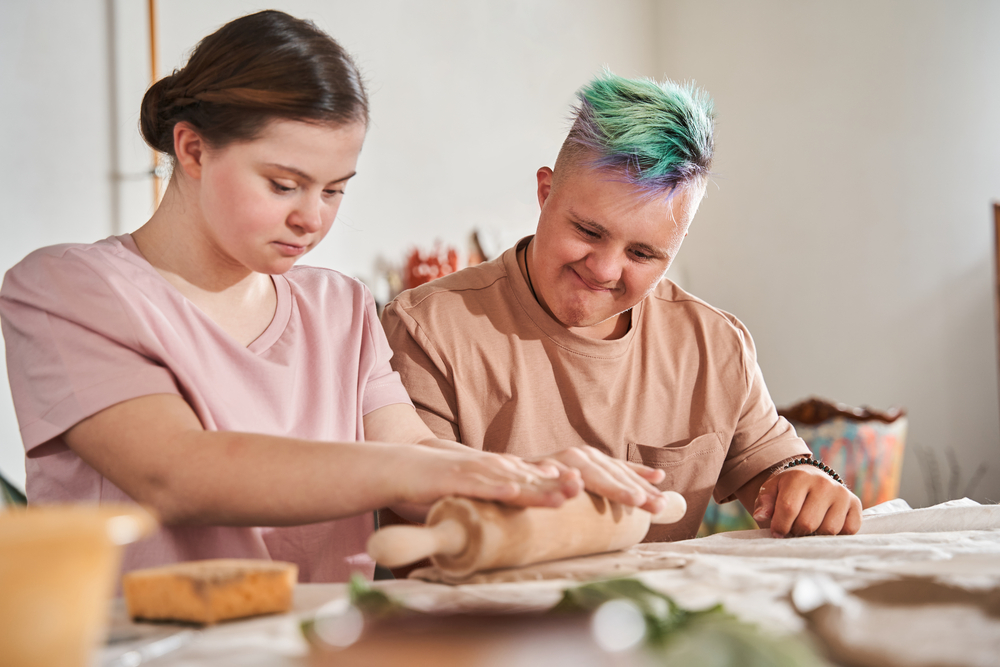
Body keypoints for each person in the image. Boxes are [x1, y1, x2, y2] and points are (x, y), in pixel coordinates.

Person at [0, 11, 676, 582]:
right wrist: (454, 473)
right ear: (194, 150)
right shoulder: (68, 290)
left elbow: (411, 447)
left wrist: (528, 476)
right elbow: (175, 474)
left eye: (334, 190)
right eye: (284, 184)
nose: (312, 218)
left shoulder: (339, 307)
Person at [382, 72, 863, 541]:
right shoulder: (427, 329)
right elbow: (421, 527)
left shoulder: (715, 344)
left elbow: (778, 466)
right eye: (588, 231)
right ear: (545, 193)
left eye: (643, 253)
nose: (605, 270)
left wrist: (806, 482)